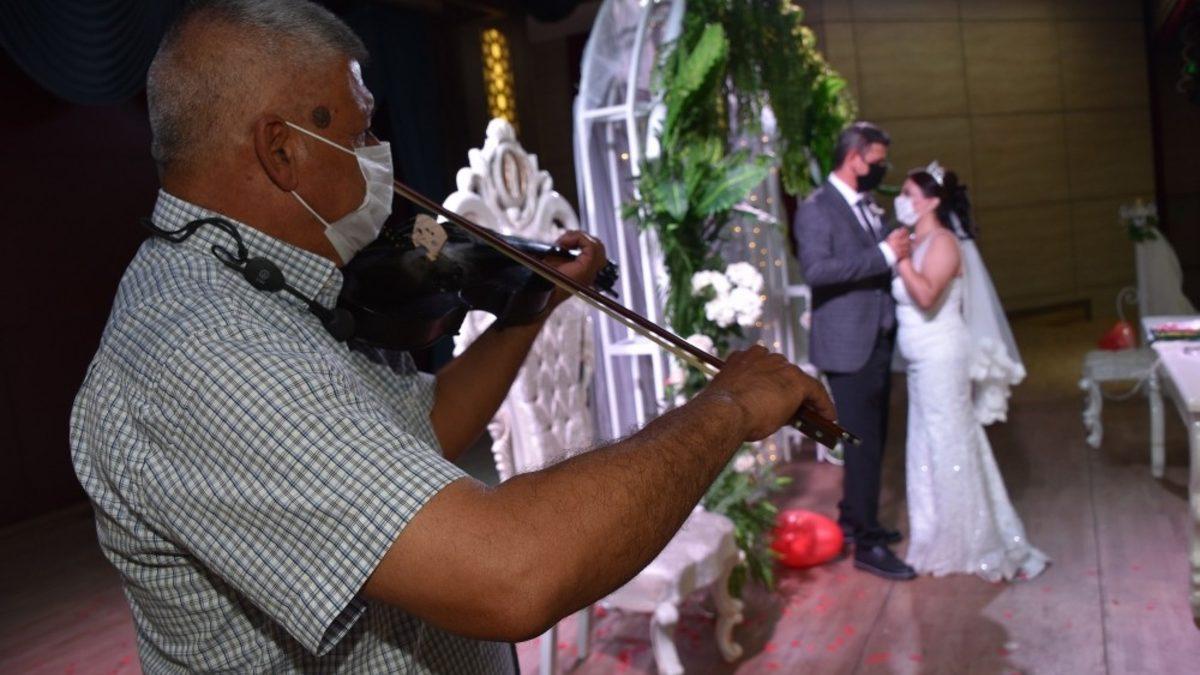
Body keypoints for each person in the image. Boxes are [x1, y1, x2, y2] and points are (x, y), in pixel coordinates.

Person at [68, 1, 834, 672]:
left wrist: (532, 306)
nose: (380, 154)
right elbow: (510, 572)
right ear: (282, 148)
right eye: (363, 131)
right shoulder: (206, 351)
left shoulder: (279, 283)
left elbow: (424, 426)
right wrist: (728, 406)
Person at [891, 166, 1048, 581]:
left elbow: (926, 295)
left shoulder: (944, 242)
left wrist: (901, 259)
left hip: (942, 357)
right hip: (920, 361)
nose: (900, 200)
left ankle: (969, 539)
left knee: (950, 442)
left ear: (931, 201)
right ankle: (934, 530)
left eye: (907, 193)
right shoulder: (915, 241)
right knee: (925, 443)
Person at [794, 122, 915, 581]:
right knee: (863, 446)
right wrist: (883, 255)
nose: (882, 168)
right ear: (854, 158)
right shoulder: (817, 208)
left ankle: (853, 519)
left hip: (876, 337)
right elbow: (817, 271)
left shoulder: (866, 204)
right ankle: (866, 544)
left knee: (873, 439)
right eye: (877, 160)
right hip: (847, 346)